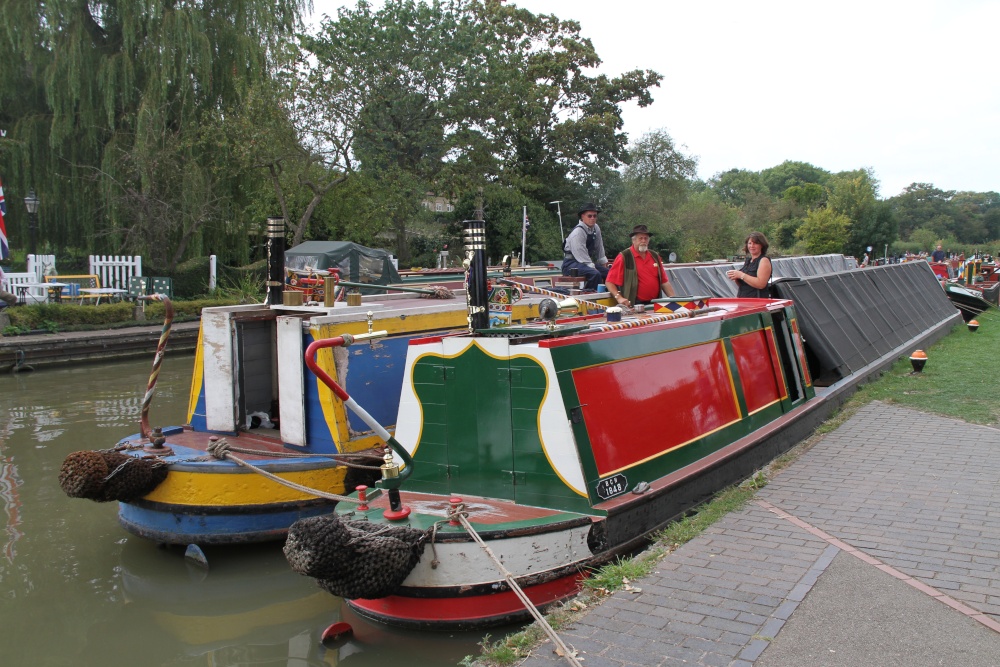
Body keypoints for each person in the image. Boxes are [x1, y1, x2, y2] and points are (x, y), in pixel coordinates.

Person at [605, 224, 675, 308]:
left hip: (656, 304)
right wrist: (619, 298)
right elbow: (609, 282)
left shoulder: (655, 256)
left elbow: (664, 282)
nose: (643, 241)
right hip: (634, 305)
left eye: (646, 238)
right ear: (633, 240)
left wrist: (674, 300)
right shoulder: (624, 257)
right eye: (640, 238)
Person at [562, 202, 610, 291]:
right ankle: (590, 296)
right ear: (582, 216)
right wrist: (594, 268)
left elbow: (599, 247)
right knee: (595, 274)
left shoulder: (596, 228)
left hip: (585, 262)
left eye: (595, 216)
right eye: (590, 216)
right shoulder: (578, 233)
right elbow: (582, 256)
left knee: (609, 273)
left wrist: (604, 265)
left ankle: (609, 295)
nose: (592, 218)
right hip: (571, 264)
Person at [727, 231, 772, 298]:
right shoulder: (748, 261)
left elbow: (761, 284)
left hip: (757, 302)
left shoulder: (764, 260)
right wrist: (736, 278)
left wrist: (741, 275)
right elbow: (745, 285)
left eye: (755, 243)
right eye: (750, 243)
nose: (752, 246)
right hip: (743, 300)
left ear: (762, 245)